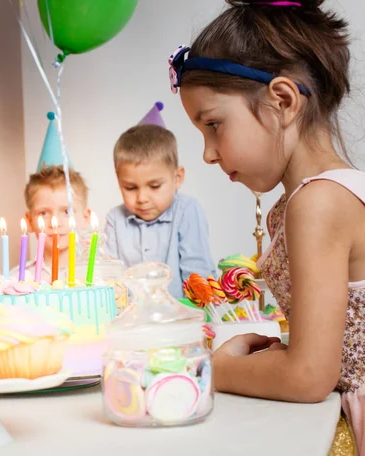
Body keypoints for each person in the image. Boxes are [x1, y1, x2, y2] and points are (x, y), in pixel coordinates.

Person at [170, 0, 365, 451]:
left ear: (283, 101)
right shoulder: (311, 199)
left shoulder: (318, 203)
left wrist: (214, 368)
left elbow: (311, 375)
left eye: (214, 125)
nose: (208, 153)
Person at [105, 123, 216, 298]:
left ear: (177, 178)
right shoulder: (115, 219)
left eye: (154, 186)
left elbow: (196, 272)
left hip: (181, 318)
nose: (142, 198)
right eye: (130, 188)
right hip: (132, 320)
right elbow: (110, 278)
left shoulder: (187, 211)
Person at [12, 166, 90, 283]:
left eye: (66, 212)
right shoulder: (17, 278)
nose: (56, 223)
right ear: (29, 221)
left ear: (85, 218)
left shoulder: (95, 273)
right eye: (43, 213)